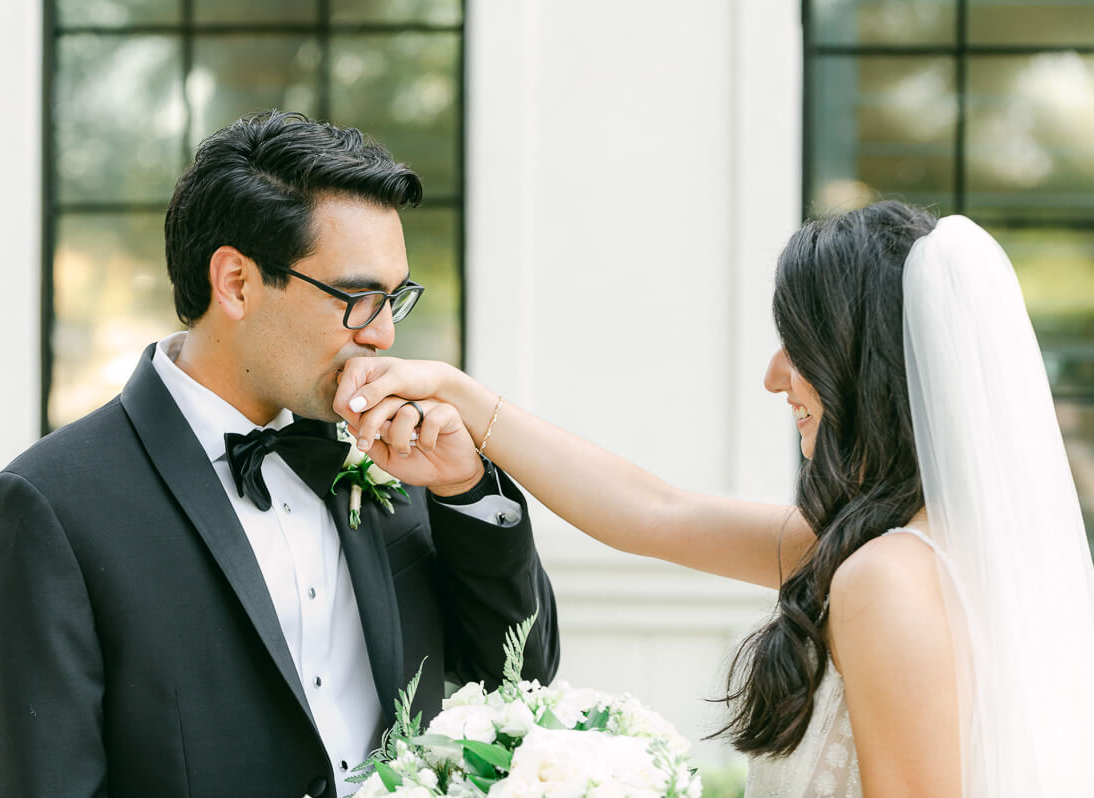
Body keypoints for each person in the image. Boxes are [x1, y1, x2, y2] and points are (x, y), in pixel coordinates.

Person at [335, 200, 1094, 797]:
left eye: (796, 344)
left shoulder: (884, 577)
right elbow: (654, 513)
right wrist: (458, 393)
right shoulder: (915, 551)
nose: (773, 376)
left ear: (860, 364)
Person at [0, 111, 559, 798]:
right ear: (237, 282)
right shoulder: (50, 505)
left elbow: (519, 679)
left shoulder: (400, 453)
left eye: (395, 298)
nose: (385, 333)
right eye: (359, 298)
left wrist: (464, 488)